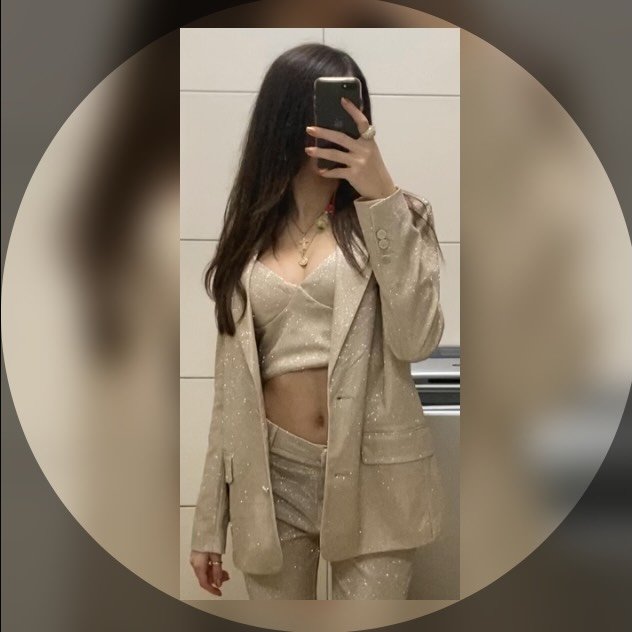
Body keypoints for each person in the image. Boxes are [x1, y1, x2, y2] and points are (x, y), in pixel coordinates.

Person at [189, 42, 445, 600]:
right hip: (270, 479)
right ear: (285, 120)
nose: (342, 123)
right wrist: (209, 521)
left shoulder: (398, 217)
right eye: (326, 110)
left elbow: (418, 338)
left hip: (375, 471)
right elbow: (230, 393)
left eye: (354, 109)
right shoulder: (248, 235)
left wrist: (382, 196)